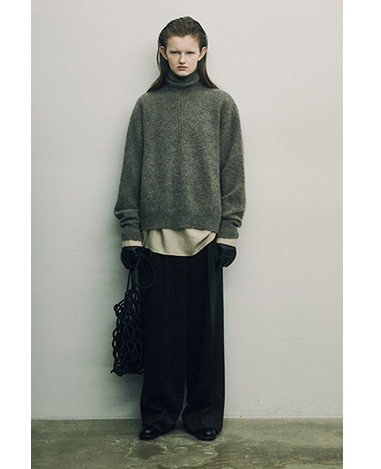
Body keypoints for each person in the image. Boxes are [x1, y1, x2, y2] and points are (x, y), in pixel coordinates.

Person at [114, 16, 246, 441]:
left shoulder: (220, 104)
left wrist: (229, 231)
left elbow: (232, 171)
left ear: (202, 53)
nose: (183, 59)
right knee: (161, 337)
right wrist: (131, 233)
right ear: (162, 53)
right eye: (175, 51)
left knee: (205, 340)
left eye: (190, 52)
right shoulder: (146, 106)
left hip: (206, 239)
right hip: (155, 240)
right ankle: (158, 415)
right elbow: (131, 172)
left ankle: (204, 417)